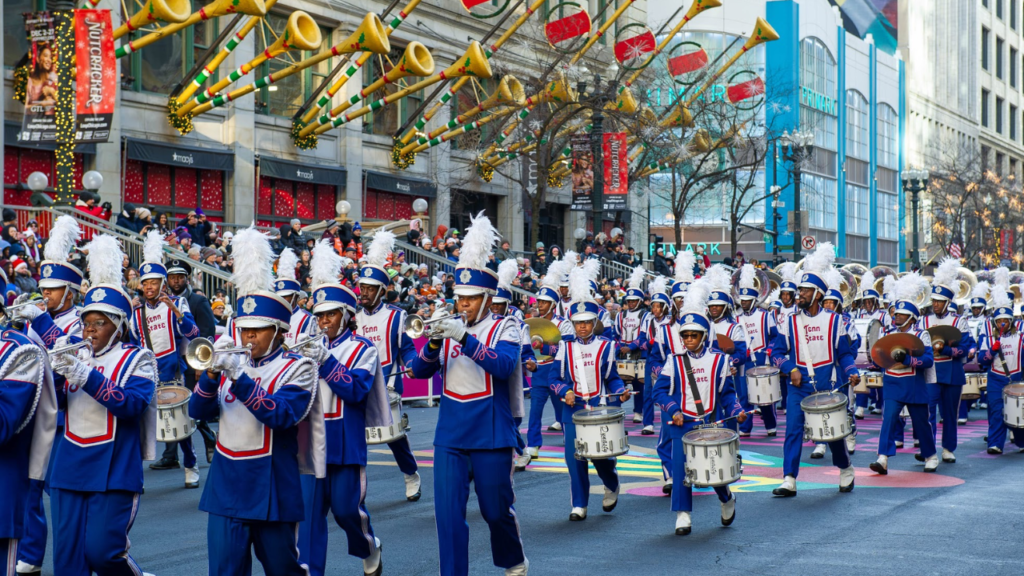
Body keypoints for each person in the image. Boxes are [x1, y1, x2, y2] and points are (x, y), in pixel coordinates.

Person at [188, 226, 323, 576]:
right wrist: (212, 375)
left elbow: (280, 416)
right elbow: (197, 411)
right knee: (224, 571)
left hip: (272, 487)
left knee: (283, 570)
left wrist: (240, 377)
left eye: (257, 330)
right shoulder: (233, 361)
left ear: (278, 331)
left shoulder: (299, 368)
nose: (247, 337)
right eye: (244, 328)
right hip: (226, 484)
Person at [406, 213, 529, 576]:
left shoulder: (506, 325)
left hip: (491, 433)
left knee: (495, 510)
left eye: (472, 299)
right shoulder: (449, 324)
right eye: (460, 297)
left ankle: (513, 560)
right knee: (447, 517)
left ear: (488, 298)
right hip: (450, 435)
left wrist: (462, 337)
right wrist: (432, 341)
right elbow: (419, 369)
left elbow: (504, 366)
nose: (464, 305)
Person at [48, 234, 157, 575]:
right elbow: (56, 405)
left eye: (100, 323)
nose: (90, 329)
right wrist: (54, 373)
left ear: (119, 325)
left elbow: (132, 406)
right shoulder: (75, 354)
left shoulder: (139, 358)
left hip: (114, 469)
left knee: (104, 553)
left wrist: (85, 374)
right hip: (69, 465)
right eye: (87, 321)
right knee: (68, 563)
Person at [298, 240, 388, 576]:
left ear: (346, 316)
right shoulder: (306, 348)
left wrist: (324, 360)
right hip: (310, 444)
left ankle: (368, 546)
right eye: (319, 315)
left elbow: (355, 391)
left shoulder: (364, 349)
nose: (323, 321)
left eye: (330, 314)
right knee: (308, 519)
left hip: (346, 443)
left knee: (348, 512)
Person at [10, 216, 81, 575]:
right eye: (44, 287)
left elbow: (68, 359)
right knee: (30, 484)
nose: (46, 293)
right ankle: (31, 553)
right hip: (32, 410)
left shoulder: (83, 320)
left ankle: (97, 554)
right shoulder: (38, 316)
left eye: (54, 289)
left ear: (70, 291)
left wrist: (39, 321)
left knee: (59, 490)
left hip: (66, 413)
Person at [653, 278, 745, 535]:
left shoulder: (720, 361)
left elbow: (727, 395)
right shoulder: (674, 360)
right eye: (685, 335)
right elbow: (659, 391)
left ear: (704, 336)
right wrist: (674, 410)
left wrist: (736, 411)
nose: (689, 339)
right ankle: (683, 515)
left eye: (694, 335)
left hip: (710, 423)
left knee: (712, 472)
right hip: (682, 424)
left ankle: (726, 497)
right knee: (681, 469)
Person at [769, 243, 860, 496]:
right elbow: (776, 353)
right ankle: (789, 478)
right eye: (800, 290)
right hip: (799, 386)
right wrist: (789, 367)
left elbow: (843, 353)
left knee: (832, 435)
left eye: (806, 291)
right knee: (793, 430)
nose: (800, 295)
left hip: (827, 385)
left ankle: (845, 468)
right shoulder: (789, 322)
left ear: (818, 294)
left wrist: (852, 370)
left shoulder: (834, 320)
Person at [550, 258, 627, 522]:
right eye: (578, 322)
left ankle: (611, 481)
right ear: (572, 322)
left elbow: (613, 378)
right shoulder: (565, 347)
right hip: (572, 409)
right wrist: (564, 392)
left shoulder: (606, 346)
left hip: (599, 407)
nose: (582, 326)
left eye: (587, 322)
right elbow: (554, 378)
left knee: (600, 456)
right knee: (576, 458)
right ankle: (579, 504)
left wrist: (621, 391)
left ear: (595, 322)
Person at [130, 232, 201, 488]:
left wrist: (172, 308)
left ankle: (191, 464)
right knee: (138, 427)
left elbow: (194, 334)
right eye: (145, 283)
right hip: (146, 374)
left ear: (163, 284)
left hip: (172, 371)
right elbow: (132, 342)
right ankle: (135, 475)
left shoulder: (179, 301)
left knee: (179, 424)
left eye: (154, 283)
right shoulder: (136, 311)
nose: (149, 287)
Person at [355, 230, 421, 502]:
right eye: (363, 288)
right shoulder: (352, 316)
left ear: (382, 291)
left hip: (389, 382)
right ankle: (356, 489)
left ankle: (410, 473)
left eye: (371, 289)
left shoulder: (397, 316)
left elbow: (406, 348)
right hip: (357, 383)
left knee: (394, 436)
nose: (365, 293)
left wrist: (414, 364)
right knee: (354, 438)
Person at [0, 263, 57, 576]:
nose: (47, 294)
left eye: (54, 288)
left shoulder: (17, 350)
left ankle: (33, 556)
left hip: (54, 422)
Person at [868, 272, 938, 474]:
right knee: (888, 419)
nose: (895, 316)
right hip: (892, 382)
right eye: (895, 313)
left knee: (921, 424)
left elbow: (928, 360)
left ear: (910, 317)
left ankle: (930, 455)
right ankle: (882, 458)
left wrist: (908, 360)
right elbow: (879, 354)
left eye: (899, 314)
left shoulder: (921, 334)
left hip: (914, 385)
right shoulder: (886, 333)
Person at [921, 258, 975, 463]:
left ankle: (948, 448)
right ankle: (929, 449)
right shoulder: (924, 320)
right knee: (928, 413)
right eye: (933, 301)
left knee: (950, 414)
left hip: (952, 372)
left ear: (947, 303)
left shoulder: (959, 321)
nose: (935, 305)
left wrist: (945, 349)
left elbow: (964, 349)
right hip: (930, 372)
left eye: (939, 302)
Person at [523, 258, 575, 463]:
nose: (540, 305)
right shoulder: (532, 323)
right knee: (534, 411)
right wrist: (530, 361)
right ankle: (533, 445)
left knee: (562, 410)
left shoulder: (564, 324)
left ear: (553, 304)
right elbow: (526, 348)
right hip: (538, 372)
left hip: (557, 372)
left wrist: (543, 347)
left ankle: (569, 439)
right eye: (539, 302)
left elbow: (566, 349)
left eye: (544, 302)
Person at [167, 258, 218, 462]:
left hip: (191, 362)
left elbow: (207, 333)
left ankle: (208, 437)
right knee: (169, 406)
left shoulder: (198, 301)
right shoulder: (162, 303)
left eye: (180, 277)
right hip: (170, 362)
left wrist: (202, 365)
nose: (176, 281)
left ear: (187, 279)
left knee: (189, 408)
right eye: (172, 277)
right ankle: (170, 455)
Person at [490, 260, 532, 471]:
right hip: (485, 378)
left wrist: (531, 363)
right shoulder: (484, 323)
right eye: (493, 304)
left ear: (507, 305)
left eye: (499, 305)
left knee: (508, 419)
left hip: (509, 378)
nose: (495, 308)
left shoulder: (518, 325)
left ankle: (521, 451)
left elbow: (527, 352)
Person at [977, 280, 1024, 455]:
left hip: (1016, 378)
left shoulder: (1021, 335)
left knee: (1017, 410)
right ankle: (995, 443)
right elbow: (982, 359)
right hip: (996, 378)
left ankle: (1021, 440)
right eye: (999, 320)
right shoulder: (988, 336)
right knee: (997, 410)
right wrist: (992, 350)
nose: (1002, 323)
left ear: (1011, 321)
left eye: (1005, 320)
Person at [736, 264, 778, 436]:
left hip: (761, 357)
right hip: (743, 360)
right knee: (744, 395)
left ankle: (771, 425)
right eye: (742, 300)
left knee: (764, 394)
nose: (744, 303)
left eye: (747, 300)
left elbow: (775, 337)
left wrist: (769, 350)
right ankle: (746, 428)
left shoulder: (765, 316)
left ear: (754, 300)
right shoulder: (736, 318)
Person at [617, 266, 651, 431]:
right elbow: (615, 334)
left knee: (639, 383)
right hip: (622, 352)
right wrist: (620, 347)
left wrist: (631, 347)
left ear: (639, 301)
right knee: (619, 381)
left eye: (633, 301)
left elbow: (643, 336)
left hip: (638, 352)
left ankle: (638, 411)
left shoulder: (645, 315)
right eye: (628, 301)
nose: (630, 303)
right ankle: (617, 410)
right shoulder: (620, 315)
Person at [273, 248, 317, 350]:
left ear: (295, 296)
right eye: (279, 296)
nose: (282, 299)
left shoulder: (307, 319)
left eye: (285, 296)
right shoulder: (271, 316)